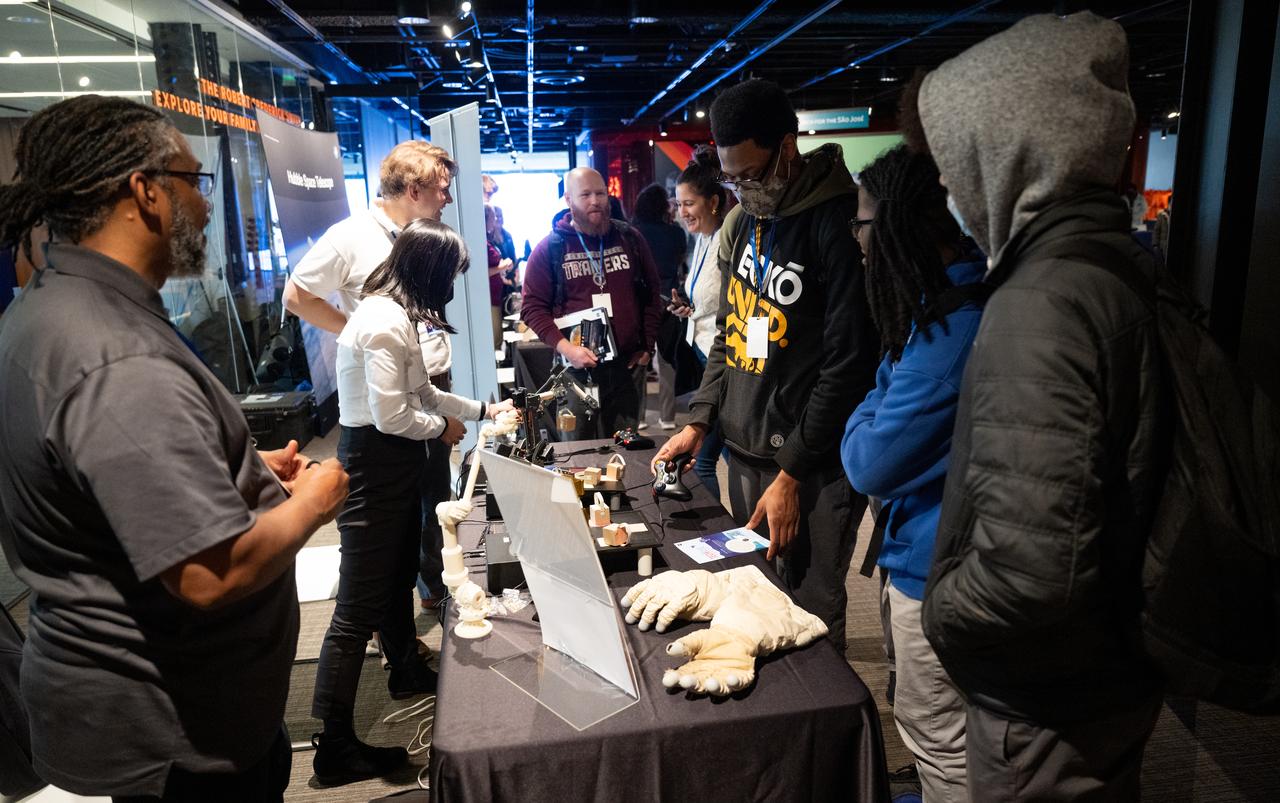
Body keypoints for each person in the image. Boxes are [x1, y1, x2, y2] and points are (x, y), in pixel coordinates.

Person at [0, 95, 349, 801]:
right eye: (196, 182)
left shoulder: (48, 308)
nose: (207, 205)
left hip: (156, 719)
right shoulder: (115, 355)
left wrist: (245, 473)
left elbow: (115, 493)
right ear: (145, 191)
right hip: (179, 741)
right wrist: (313, 502)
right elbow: (208, 573)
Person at [912, 12, 1167, 799]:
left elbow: (1032, 573)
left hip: (1042, 699)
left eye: (957, 163)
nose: (950, 188)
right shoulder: (1109, 264)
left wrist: (941, 613)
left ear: (1006, 152)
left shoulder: (1041, 303)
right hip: (1102, 673)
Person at [654, 79, 880, 649]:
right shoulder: (742, 222)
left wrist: (793, 473)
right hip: (747, 451)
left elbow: (848, 364)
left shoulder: (838, 224)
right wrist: (700, 419)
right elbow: (732, 334)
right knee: (756, 598)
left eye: (751, 175)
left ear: (787, 147)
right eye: (731, 178)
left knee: (811, 612)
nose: (742, 189)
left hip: (815, 466)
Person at [311, 219, 513, 786]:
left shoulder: (394, 314)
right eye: (450, 275)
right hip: (374, 464)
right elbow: (393, 415)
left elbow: (419, 392)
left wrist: (476, 410)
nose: (453, 287)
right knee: (354, 611)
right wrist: (444, 427)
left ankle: (403, 669)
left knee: (397, 574)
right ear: (430, 270)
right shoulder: (382, 322)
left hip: (391, 459)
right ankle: (333, 746)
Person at [841, 144, 987, 801]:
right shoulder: (935, 312)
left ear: (897, 224)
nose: (857, 240)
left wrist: (868, 404)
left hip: (935, 572)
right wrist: (880, 392)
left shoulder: (950, 329)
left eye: (863, 223)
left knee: (939, 738)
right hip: (926, 558)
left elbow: (868, 459)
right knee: (930, 729)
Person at [283, 140, 458, 613]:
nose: (447, 198)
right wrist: (354, 330)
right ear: (414, 187)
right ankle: (386, 619)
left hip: (432, 380)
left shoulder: (425, 232)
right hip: (386, 390)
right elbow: (296, 296)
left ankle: (434, 593)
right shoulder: (351, 235)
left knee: (435, 500)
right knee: (390, 515)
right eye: (442, 189)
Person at [521, 167, 662, 438]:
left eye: (600, 193)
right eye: (585, 194)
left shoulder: (629, 238)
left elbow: (652, 294)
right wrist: (565, 347)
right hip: (574, 372)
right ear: (568, 200)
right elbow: (532, 308)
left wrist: (648, 345)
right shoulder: (550, 248)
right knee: (577, 453)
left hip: (626, 369)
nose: (595, 201)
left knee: (626, 449)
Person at [669, 147, 729, 500]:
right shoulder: (703, 240)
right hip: (702, 358)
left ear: (713, 202)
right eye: (679, 204)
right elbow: (710, 300)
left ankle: (714, 543)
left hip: (722, 364)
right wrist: (688, 309)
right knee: (719, 454)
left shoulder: (727, 240)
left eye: (688, 203)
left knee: (702, 460)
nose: (682, 212)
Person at [632, 183, 688, 430]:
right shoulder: (675, 232)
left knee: (641, 359)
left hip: (640, 302)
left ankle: (639, 416)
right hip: (669, 298)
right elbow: (680, 261)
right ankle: (668, 416)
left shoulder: (633, 232)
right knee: (667, 362)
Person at [486, 204, 515, 349]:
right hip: (489, 296)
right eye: (494, 217)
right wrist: (502, 266)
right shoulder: (482, 241)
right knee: (495, 338)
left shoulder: (493, 239)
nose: (496, 220)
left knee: (498, 337)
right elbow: (481, 272)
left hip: (496, 294)